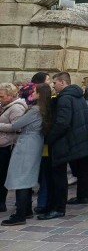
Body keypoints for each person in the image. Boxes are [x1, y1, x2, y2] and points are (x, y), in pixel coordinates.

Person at [39, 73, 88, 220]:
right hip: (74, 141)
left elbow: (63, 123)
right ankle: (53, 206)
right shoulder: (77, 95)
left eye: (55, 82)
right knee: (59, 175)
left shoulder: (65, 98)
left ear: (62, 82)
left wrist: (49, 139)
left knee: (57, 176)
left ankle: (58, 208)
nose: (53, 85)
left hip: (64, 142)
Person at [0, 83, 51, 226]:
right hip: (35, 142)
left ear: (40, 94)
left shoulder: (35, 110)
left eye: (35, 91)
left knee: (21, 177)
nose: (32, 93)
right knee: (26, 177)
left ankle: (20, 214)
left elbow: (16, 125)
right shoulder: (43, 109)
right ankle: (26, 209)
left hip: (27, 144)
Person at [0, 83, 27, 213]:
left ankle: (1, 203)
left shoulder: (16, 108)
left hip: (7, 146)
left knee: (2, 175)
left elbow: (18, 126)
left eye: (2, 96)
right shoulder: (5, 106)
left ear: (10, 95)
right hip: (4, 144)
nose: (0, 98)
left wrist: (0, 125)